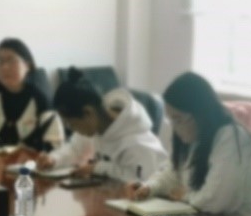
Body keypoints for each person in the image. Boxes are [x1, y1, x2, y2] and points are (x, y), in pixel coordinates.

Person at [125, 72, 251, 216]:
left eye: (178, 119)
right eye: (171, 120)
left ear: (200, 113)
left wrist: (184, 196)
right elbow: (173, 173)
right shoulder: (193, 138)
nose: (175, 127)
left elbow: (217, 200)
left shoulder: (232, 138)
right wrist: (149, 188)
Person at [37, 68, 167, 181]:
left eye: (72, 124)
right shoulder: (96, 126)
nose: (72, 129)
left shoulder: (137, 142)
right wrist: (53, 159)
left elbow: (143, 180)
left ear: (88, 113)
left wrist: (97, 168)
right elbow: (74, 149)